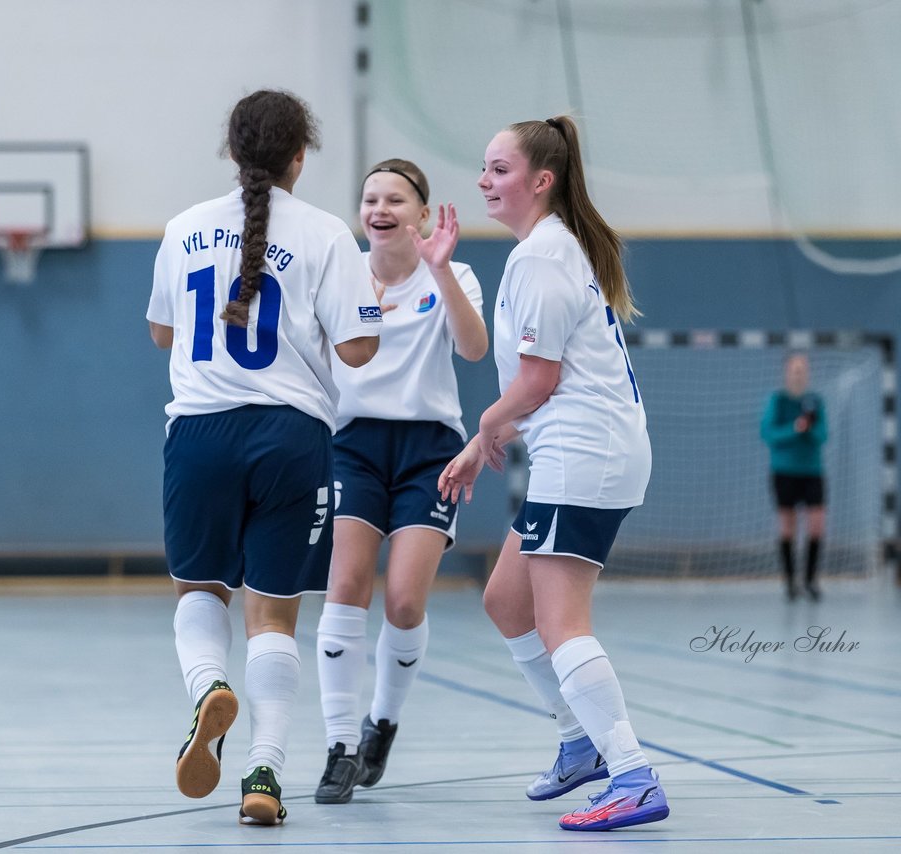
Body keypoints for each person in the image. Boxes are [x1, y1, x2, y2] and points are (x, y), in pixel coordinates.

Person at [146, 89, 380, 827]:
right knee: (275, 618)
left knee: (197, 591)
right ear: (299, 159)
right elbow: (358, 348)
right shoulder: (326, 234)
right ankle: (264, 776)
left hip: (200, 435)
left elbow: (161, 333)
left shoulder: (183, 229)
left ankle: (208, 687)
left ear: (232, 153)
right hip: (290, 438)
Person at [439, 116, 669, 832]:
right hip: (580, 450)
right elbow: (533, 386)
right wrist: (490, 436)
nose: (484, 180)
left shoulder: (542, 256)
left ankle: (631, 772)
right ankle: (581, 740)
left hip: (586, 453)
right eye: (483, 167)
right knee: (507, 600)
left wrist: (484, 427)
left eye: (499, 169)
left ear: (542, 180)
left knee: (560, 620)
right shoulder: (546, 251)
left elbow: (540, 379)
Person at [314, 160, 488, 803]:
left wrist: (441, 270)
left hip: (428, 451)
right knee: (347, 584)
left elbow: (474, 350)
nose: (380, 208)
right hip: (353, 445)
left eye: (395, 199)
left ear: (421, 213)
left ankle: (381, 720)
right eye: (370, 199)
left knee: (405, 603)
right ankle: (339, 748)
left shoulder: (452, 273)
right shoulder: (341, 275)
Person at [760, 352, 828, 601]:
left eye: (803, 369)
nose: (799, 373)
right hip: (784, 472)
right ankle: (790, 582)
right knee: (787, 526)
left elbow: (823, 435)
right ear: (787, 372)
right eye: (794, 369)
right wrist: (794, 429)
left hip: (812, 472)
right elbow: (768, 434)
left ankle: (810, 580)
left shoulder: (815, 401)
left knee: (816, 525)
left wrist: (808, 429)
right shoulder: (777, 401)